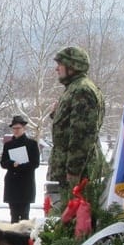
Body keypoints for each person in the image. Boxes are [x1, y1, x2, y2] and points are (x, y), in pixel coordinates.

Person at [47, 46, 105, 205]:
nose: (56, 68)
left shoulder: (82, 90)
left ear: (73, 66)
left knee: (76, 223)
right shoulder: (74, 89)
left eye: (60, 64)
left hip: (76, 176)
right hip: (69, 173)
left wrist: (73, 172)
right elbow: (68, 126)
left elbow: (82, 136)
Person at [0, 115, 41, 223]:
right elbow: (3, 163)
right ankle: (13, 238)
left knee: (24, 215)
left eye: (18, 128)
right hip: (12, 183)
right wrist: (12, 164)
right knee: (13, 215)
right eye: (14, 128)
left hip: (25, 183)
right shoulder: (8, 145)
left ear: (23, 128)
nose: (16, 131)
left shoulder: (32, 144)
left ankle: (23, 239)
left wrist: (22, 165)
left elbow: (35, 163)